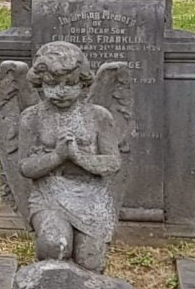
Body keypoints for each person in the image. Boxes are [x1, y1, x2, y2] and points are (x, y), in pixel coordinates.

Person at [13, 39, 123, 271]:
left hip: (91, 197)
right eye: (52, 84)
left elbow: (112, 163)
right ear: (40, 83)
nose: (61, 92)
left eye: (70, 84)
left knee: (91, 260)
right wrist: (57, 156)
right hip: (49, 195)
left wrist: (77, 156)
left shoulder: (98, 116)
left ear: (83, 83)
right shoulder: (32, 117)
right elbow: (25, 167)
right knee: (55, 245)